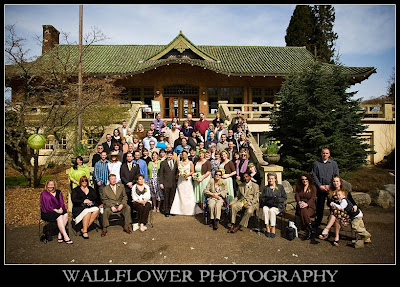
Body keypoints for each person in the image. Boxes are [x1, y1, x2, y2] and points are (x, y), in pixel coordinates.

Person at [319, 175, 372, 246]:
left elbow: (351, 201)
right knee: (335, 214)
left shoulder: (345, 191)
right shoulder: (331, 192)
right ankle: (336, 237)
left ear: (340, 182)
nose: (336, 183)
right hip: (337, 212)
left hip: (347, 213)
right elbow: (329, 203)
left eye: (337, 181)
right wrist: (332, 202)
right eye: (334, 181)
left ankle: (327, 230)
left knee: (335, 214)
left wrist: (355, 205)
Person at [312, 148, 339, 228]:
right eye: (323, 153)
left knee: (332, 205)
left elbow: (336, 175)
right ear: (321, 154)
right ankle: (318, 221)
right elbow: (314, 175)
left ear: (329, 154)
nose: (325, 155)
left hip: (331, 188)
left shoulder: (333, 164)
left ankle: (332, 221)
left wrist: (330, 185)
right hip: (320, 188)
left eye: (326, 153)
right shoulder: (316, 163)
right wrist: (320, 185)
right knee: (320, 206)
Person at [170, 150, 202, 216]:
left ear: (187, 155)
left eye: (185, 154)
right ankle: (179, 209)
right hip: (180, 180)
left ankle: (189, 210)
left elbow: (192, 171)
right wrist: (178, 175)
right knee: (180, 193)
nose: (184, 156)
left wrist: (187, 175)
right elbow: (178, 171)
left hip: (187, 180)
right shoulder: (179, 163)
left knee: (188, 194)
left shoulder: (190, 162)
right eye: (183, 154)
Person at [40, 179, 72, 244]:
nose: (50, 186)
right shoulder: (44, 194)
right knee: (59, 217)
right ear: (46, 185)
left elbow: (61, 202)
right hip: (47, 211)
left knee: (65, 214)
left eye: (52, 185)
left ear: (54, 185)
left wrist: (61, 208)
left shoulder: (58, 192)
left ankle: (60, 234)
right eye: (49, 185)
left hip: (58, 210)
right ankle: (65, 237)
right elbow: (46, 206)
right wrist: (55, 210)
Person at [259, 172, 287, 238]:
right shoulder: (266, 188)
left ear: (275, 179)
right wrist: (268, 200)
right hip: (268, 204)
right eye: (269, 179)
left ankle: (273, 227)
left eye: (272, 179)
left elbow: (284, 197)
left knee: (272, 210)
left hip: (277, 206)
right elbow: (262, 198)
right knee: (265, 209)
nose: (270, 180)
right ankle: (267, 227)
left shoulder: (280, 187)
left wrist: (277, 200)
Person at [295, 173, 317, 240]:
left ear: (308, 179)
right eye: (303, 179)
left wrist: (307, 204)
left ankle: (306, 228)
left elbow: (313, 198)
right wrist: (299, 202)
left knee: (303, 210)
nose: (304, 181)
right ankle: (310, 229)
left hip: (310, 206)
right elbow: (297, 196)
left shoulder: (313, 188)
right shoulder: (299, 187)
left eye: (306, 179)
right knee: (302, 209)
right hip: (300, 205)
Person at [159, 150, 178, 217]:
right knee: (166, 197)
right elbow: (161, 174)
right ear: (166, 155)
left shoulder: (175, 162)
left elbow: (176, 172)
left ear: (172, 156)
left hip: (173, 183)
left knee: (172, 197)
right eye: (168, 155)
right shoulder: (163, 163)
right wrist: (161, 183)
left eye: (171, 155)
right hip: (166, 183)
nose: (169, 156)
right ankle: (166, 211)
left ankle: (171, 210)